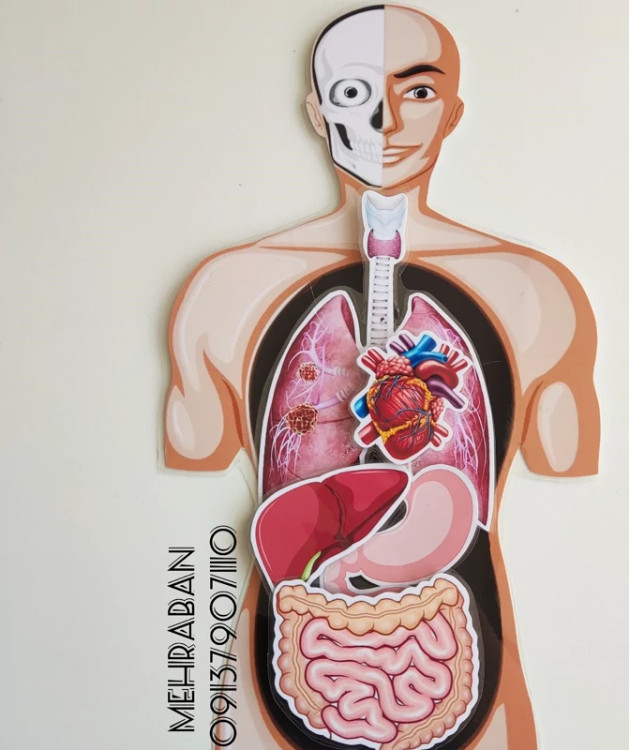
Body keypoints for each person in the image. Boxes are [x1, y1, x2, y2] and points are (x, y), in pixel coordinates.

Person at [165, 5, 599, 749]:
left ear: (452, 112)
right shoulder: (534, 292)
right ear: (318, 112)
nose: (387, 121)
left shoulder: (541, 295)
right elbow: (196, 467)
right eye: (355, 92)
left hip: (457, 668)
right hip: (291, 666)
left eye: (417, 91)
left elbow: (196, 449)